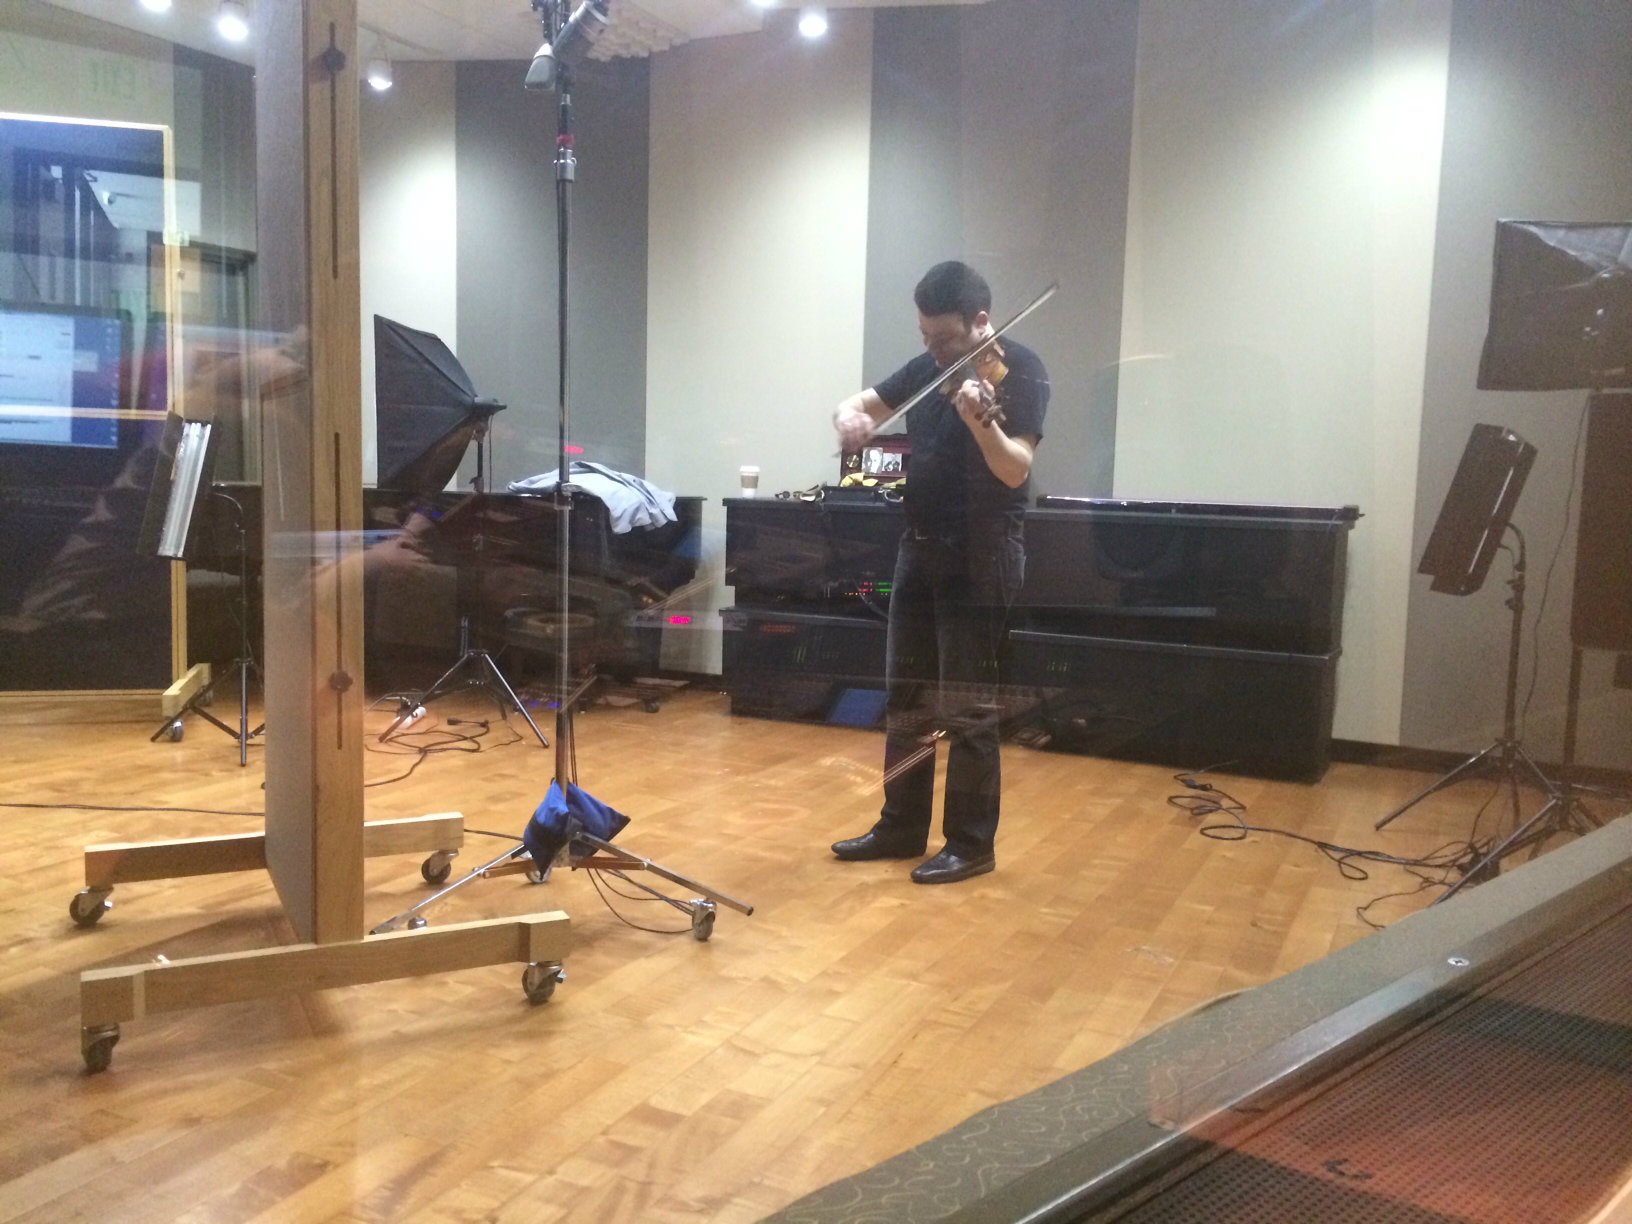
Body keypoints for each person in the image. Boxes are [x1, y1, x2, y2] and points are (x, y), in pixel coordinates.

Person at [830, 261, 1049, 884]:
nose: (933, 349)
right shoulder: (930, 364)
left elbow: (1015, 470)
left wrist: (982, 422)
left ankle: (971, 844)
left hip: (982, 554)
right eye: (926, 336)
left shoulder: (1021, 372)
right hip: (920, 547)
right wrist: (850, 417)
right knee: (907, 701)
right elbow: (861, 405)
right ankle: (900, 825)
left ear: (981, 321)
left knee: (967, 707)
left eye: (945, 338)